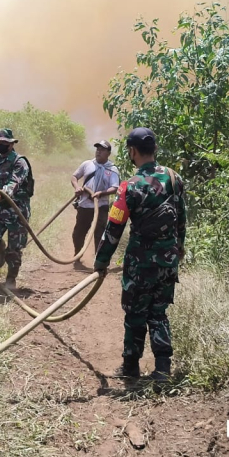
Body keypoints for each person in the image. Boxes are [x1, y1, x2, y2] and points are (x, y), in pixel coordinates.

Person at [93, 127, 187, 386]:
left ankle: (131, 367)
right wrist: (178, 248)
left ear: (132, 152)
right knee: (158, 313)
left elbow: (114, 228)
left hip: (140, 264)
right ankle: (163, 370)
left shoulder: (129, 187)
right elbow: (181, 219)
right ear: (155, 149)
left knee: (135, 314)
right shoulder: (174, 177)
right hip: (168, 261)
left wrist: (101, 261)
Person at [0, 128, 34, 291]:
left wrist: (3, 194)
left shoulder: (20, 162)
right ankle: (1, 250)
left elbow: (14, 182)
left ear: (11, 144)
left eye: (4, 143)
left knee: (15, 248)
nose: (1, 145)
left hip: (16, 211)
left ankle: (11, 279)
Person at [70, 140, 120, 268]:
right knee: (78, 233)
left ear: (108, 153)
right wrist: (77, 187)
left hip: (101, 207)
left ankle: (98, 262)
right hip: (84, 205)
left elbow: (115, 187)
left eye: (102, 149)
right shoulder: (87, 164)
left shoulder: (112, 169)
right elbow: (74, 177)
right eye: (97, 149)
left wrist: (101, 193)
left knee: (100, 234)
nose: (98, 151)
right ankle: (77, 256)